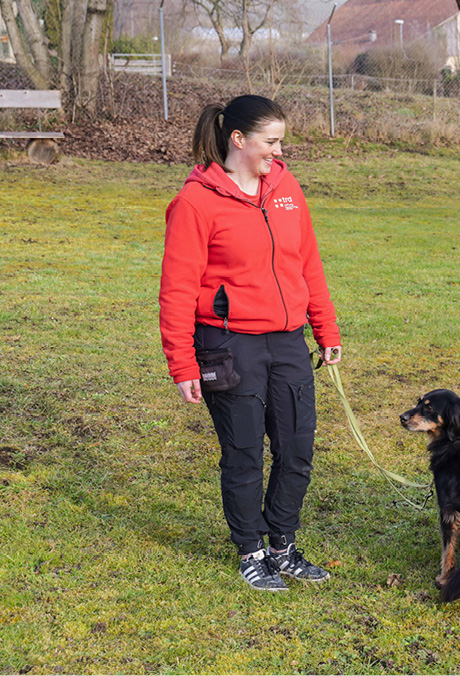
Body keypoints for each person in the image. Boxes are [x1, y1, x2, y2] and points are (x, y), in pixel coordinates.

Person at [159, 95, 341, 591]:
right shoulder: (195, 202)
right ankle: (252, 551)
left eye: (280, 140)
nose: (279, 152)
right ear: (238, 140)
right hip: (228, 344)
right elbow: (176, 289)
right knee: (243, 454)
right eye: (271, 141)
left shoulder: (286, 188)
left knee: (297, 448)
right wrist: (182, 364)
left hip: (287, 342)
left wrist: (325, 328)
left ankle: (282, 544)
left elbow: (308, 262)